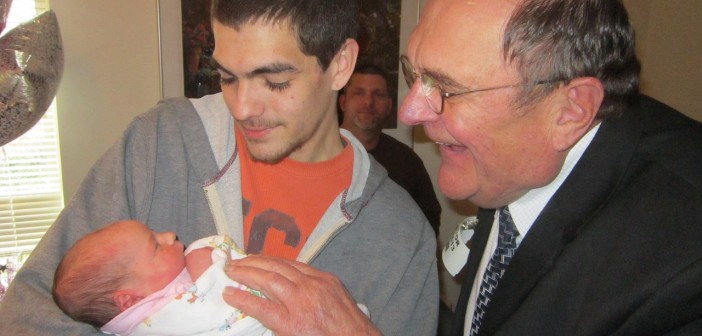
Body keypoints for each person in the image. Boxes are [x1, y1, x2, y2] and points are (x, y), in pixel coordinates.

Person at [0, 1, 439, 335]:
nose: (242, 107)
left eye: (275, 81)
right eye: (227, 76)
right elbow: (26, 312)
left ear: (340, 65)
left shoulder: (401, 239)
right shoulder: (160, 144)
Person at [397, 0, 702, 335]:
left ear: (570, 111)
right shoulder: (510, 162)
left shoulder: (684, 267)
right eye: (414, 73)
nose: (409, 112)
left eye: (447, 89)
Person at [53, 219, 270, 335]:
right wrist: (207, 267)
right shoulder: (164, 318)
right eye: (156, 246)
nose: (170, 235)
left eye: (155, 231)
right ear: (129, 299)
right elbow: (227, 307)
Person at [339, 63, 442, 235]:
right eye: (359, 93)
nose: (368, 102)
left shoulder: (407, 162)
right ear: (343, 102)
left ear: (389, 106)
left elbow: (429, 224)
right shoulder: (316, 153)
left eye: (378, 95)